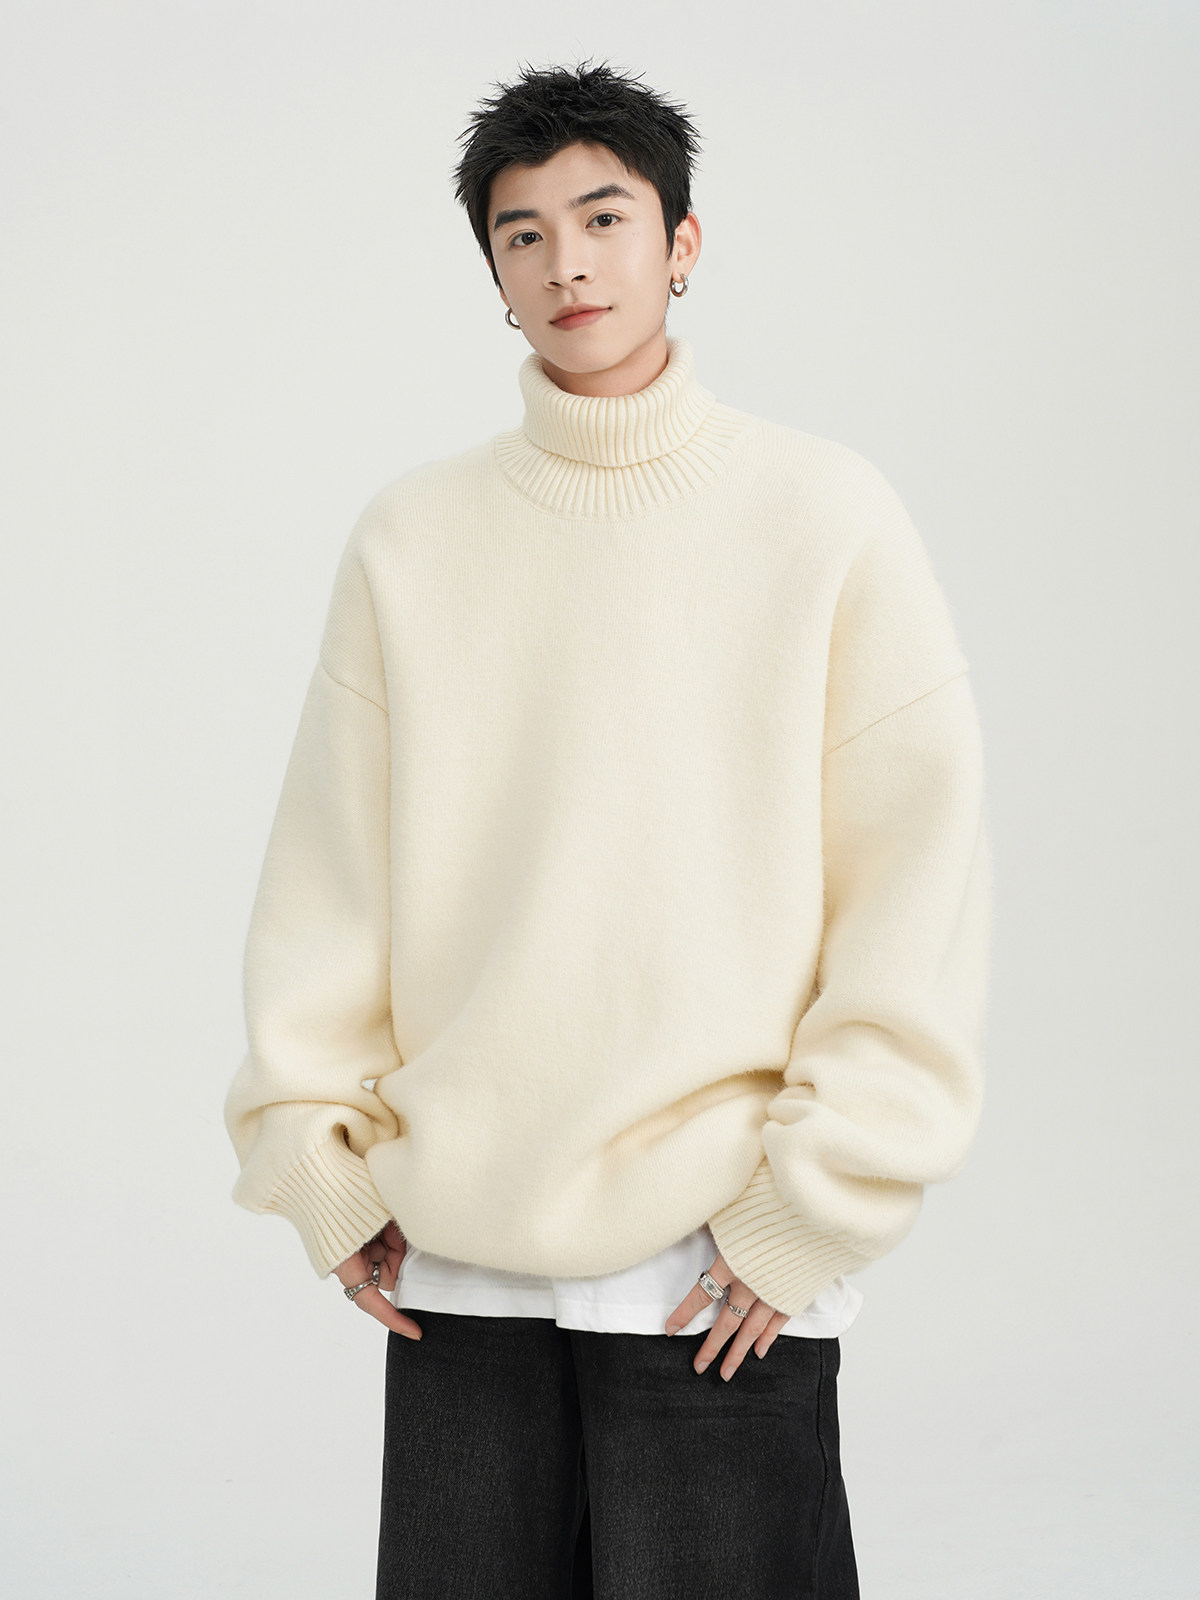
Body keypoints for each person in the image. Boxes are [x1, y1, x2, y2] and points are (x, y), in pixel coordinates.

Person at [223, 58, 991, 1600]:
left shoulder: (824, 516)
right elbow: (329, 876)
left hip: (718, 1263)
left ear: (682, 242)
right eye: (522, 234)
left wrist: (810, 1204)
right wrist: (317, 1155)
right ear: (493, 277)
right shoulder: (414, 538)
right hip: (459, 1263)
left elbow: (916, 889)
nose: (566, 262)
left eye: (604, 217)